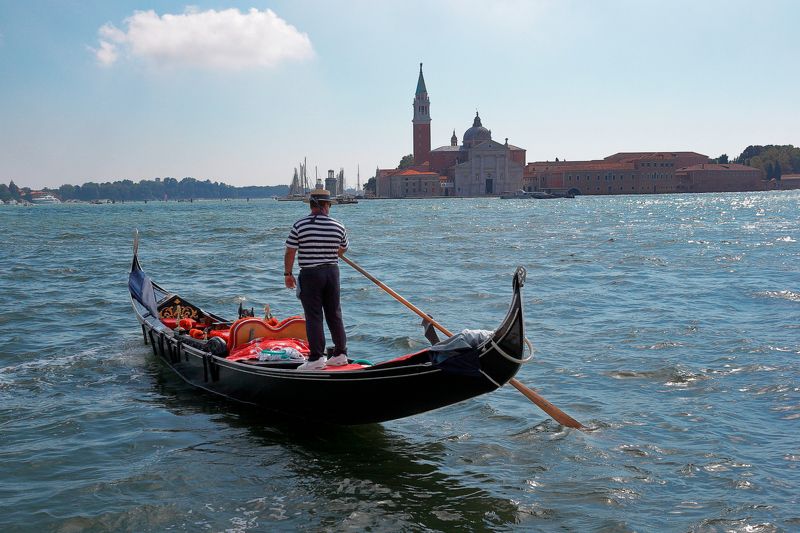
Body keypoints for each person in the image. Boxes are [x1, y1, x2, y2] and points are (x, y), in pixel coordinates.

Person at [284, 189, 349, 370]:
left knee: (314, 316)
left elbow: (290, 250)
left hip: (310, 274)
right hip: (332, 273)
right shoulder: (338, 226)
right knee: (334, 313)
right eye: (329, 205)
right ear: (325, 205)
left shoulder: (300, 225)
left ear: (312, 205)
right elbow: (342, 249)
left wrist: (287, 274)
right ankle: (341, 354)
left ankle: (316, 358)